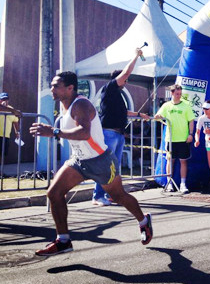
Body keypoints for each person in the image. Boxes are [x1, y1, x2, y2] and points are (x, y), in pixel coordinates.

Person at [29, 72, 152, 256]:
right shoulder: (64, 106)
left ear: (70, 88)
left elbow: (84, 132)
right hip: (79, 161)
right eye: (52, 85)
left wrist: (54, 132)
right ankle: (63, 240)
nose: (52, 89)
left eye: (56, 86)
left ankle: (143, 221)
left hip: (101, 161)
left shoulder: (81, 104)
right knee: (54, 193)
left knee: (118, 196)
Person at [93, 48, 150, 206]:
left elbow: (124, 112)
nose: (126, 82)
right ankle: (97, 196)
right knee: (106, 165)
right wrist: (136, 57)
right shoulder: (109, 88)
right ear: (118, 79)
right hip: (109, 133)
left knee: (114, 168)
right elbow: (126, 73)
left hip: (118, 134)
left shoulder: (116, 95)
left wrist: (139, 115)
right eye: (124, 79)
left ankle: (111, 195)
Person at [154, 84, 195, 194]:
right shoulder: (166, 105)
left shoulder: (186, 105)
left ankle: (182, 184)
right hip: (170, 139)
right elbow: (158, 115)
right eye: (177, 94)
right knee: (169, 161)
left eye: (180, 94)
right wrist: (158, 116)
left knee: (183, 161)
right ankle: (169, 183)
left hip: (183, 139)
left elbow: (191, 121)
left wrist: (191, 134)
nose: (179, 96)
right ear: (172, 93)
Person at [0, 92, 20, 157]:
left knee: (3, 155)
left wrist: (17, 132)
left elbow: (15, 122)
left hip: (5, 136)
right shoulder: (12, 110)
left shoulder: (11, 109)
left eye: (6, 99)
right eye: (3, 99)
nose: (5, 101)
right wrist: (13, 111)